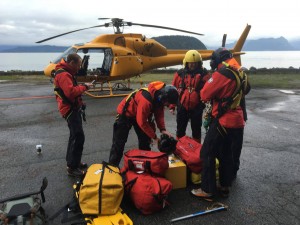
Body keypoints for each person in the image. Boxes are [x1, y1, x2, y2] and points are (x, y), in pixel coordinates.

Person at [191, 47, 250, 199]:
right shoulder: (240, 72)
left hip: (224, 120)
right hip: (238, 120)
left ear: (217, 59)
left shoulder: (223, 73)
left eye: (213, 59)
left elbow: (204, 94)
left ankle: (207, 189)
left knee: (207, 152)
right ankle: (224, 186)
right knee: (226, 154)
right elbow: (247, 89)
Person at [108, 81, 179, 166]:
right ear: (163, 98)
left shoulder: (159, 99)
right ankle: (112, 168)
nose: (168, 105)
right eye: (168, 103)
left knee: (145, 142)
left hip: (139, 114)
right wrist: (155, 137)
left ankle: (145, 166)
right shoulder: (146, 99)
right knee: (119, 144)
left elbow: (159, 115)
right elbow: (142, 122)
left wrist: (163, 130)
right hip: (126, 114)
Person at [53, 53, 94, 177]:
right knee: (78, 136)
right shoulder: (65, 75)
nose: (79, 68)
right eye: (78, 65)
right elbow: (70, 93)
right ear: (72, 63)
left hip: (71, 107)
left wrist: (80, 101)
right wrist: (85, 87)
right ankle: (72, 167)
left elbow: (70, 92)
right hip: (69, 109)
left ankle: (73, 161)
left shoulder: (64, 73)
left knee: (74, 136)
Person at [170, 50, 210, 143]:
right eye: (190, 63)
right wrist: (172, 106)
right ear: (186, 63)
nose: (192, 65)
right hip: (182, 106)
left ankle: (196, 151)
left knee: (196, 131)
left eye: (195, 63)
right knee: (180, 130)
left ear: (198, 63)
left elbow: (210, 90)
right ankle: (179, 149)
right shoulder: (180, 74)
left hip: (197, 107)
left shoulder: (205, 75)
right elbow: (173, 90)